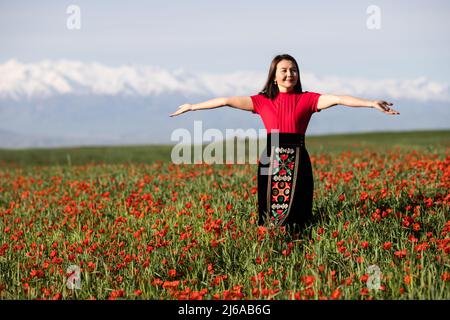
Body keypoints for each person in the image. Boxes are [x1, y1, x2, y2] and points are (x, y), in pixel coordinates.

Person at [170, 53, 399, 235]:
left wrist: (371, 103)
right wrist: (192, 106)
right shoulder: (262, 101)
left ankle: (299, 243)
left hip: (298, 156)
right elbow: (225, 101)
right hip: (272, 155)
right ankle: (272, 242)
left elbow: (339, 98)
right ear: (274, 76)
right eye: (284, 70)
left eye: (293, 70)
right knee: (270, 203)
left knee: (300, 204)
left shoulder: (308, 99)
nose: (290, 74)